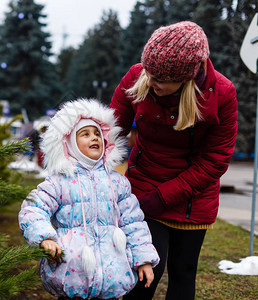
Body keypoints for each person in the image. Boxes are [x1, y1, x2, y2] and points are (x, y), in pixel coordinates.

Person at [109, 21, 238, 300]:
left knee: (183, 271)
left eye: (160, 79)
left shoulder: (222, 94)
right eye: (148, 74)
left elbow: (215, 160)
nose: (150, 83)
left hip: (194, 196)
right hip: (143, 188)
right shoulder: (138, 76)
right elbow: (110, 129)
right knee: (145, 272)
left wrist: (162, 197)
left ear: (186, 78)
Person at [18, 99, 160, 299]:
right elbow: (33, 208)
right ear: (69, 143)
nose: (94, 138)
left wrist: (143, 259)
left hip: (111, 274)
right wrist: (45, 238)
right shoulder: (59, 182)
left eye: (97, 134)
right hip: (71, 272)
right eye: (85, 134)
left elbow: (133, 222)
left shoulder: (117, 183)